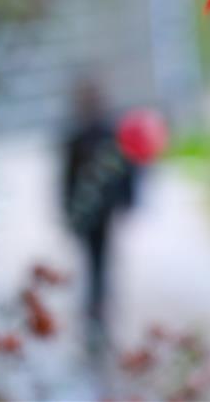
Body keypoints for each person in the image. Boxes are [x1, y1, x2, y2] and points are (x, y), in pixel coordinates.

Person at [62, 81, 136, 327]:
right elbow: (67, 179)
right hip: (86, 211)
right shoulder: (77, 137)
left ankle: (99, 302)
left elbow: (127, 170)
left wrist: (128, 200)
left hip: (104, 210)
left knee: (100, 257)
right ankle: (96, 302)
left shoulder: (109, 134)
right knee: (94, 258)